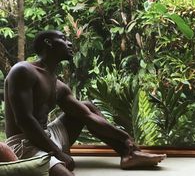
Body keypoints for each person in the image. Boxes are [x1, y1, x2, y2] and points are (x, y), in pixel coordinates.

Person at [4, 30, 166, 176]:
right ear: (48, 42)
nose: (70, 43)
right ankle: (54, 159)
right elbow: (24, 120)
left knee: (86, 106)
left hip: (47, 135)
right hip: (23, 144)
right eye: (63, 39)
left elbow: (86, 115)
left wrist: (124, 137)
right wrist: (57, 153)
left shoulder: (57, 84)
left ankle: (128, 154)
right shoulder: (23, 71)